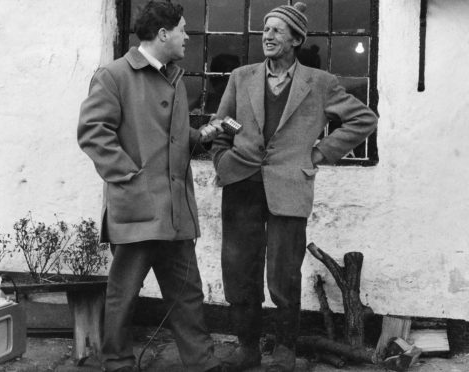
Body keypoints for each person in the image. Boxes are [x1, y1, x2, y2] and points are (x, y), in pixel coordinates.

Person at [210, 3, 378, 372]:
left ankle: (284, 349)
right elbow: (220, 123)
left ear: (296, 39)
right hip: (241, 184)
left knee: (284, 274)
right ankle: (247, 349)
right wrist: (222, 159)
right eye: (265, 29)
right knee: (239, 271)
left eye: (276, 30)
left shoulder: (318, 83)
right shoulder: (241, 76)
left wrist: (319, 153)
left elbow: (364, 118)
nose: (267, 36)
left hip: (290, 188)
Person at [77, 1, 223, 371]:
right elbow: (94, 134)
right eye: (182, 30)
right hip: (139, 207)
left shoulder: (172, 76)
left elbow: (164, 137)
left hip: (175, 210)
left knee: (188, 295)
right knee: (122, 296)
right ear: (163, 34)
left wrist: (200, 137)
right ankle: (117, 363)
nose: (187, 37)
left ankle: (202, 363)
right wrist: (130, 178)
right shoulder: (113, 75)